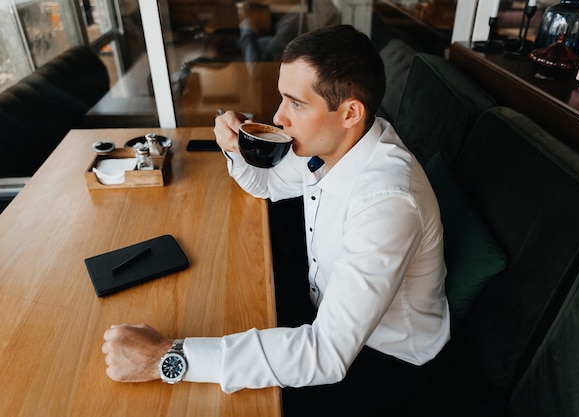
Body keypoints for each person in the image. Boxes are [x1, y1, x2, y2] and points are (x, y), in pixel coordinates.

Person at [102, 24, 450, 416]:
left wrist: (169, 357)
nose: (278, 116)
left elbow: (327, 354)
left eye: (295, 103)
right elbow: (267, 185)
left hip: (385, 361)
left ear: (351, 112)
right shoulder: (331, 144)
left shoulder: (387, 202)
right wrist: (233, 147)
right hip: (323, 313)